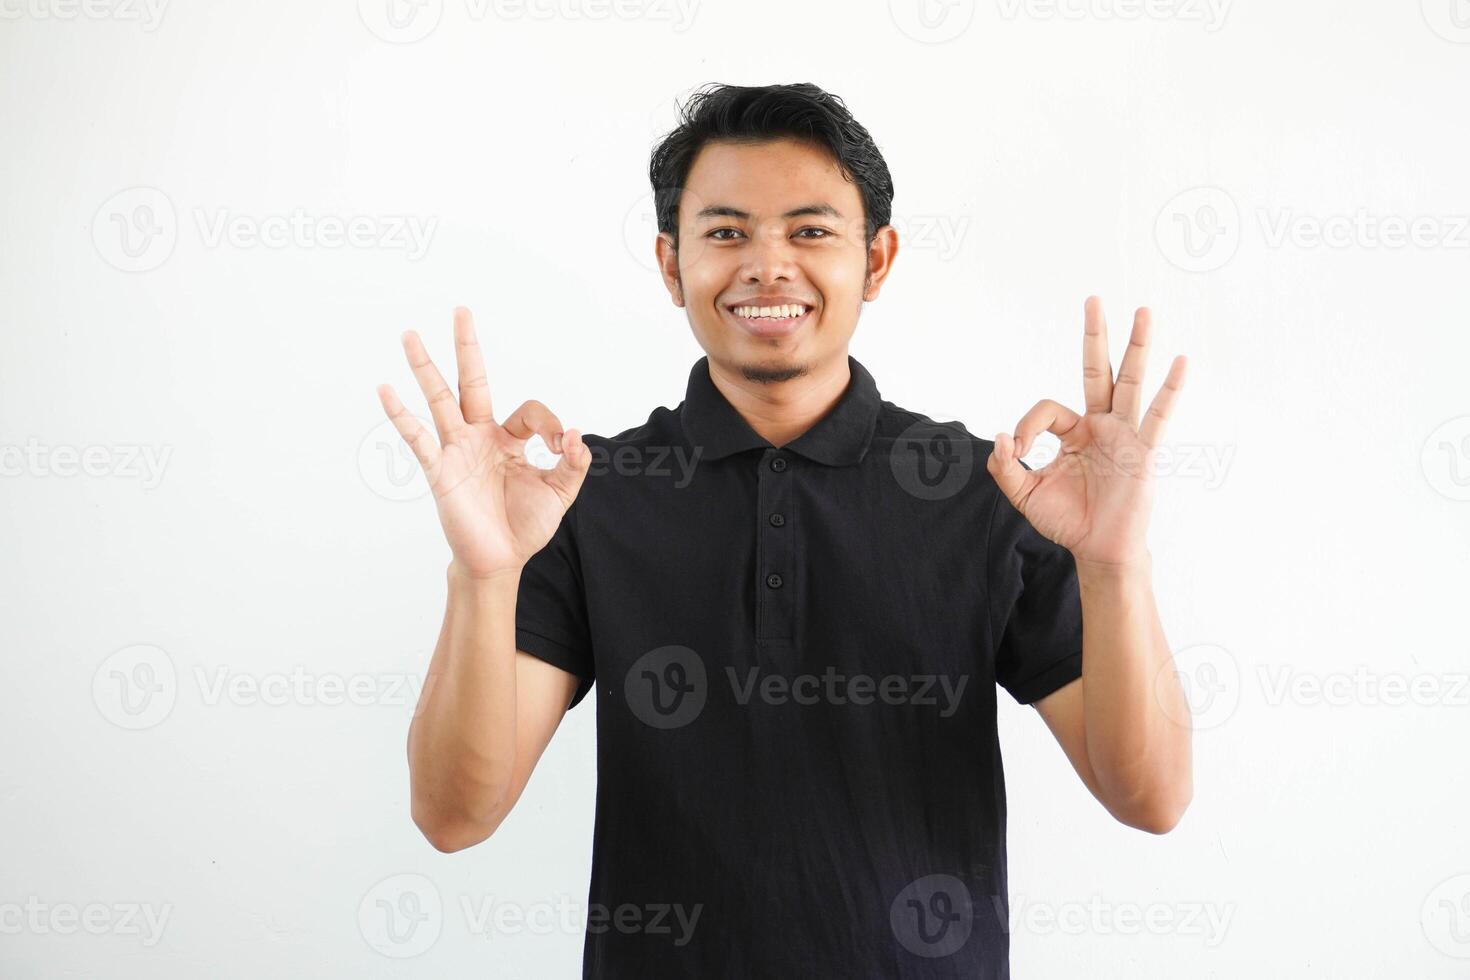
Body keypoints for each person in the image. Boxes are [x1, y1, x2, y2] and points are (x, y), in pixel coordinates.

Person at [376, 81, 1193, 979]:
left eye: (810, 230)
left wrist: (1115, 566)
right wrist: (484, 575)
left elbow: (1149, 798)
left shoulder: (987, 490)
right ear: (670, 262)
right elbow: (456, 817)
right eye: (726, 232)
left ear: (876, 260)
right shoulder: (582, 497)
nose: (768, 265)